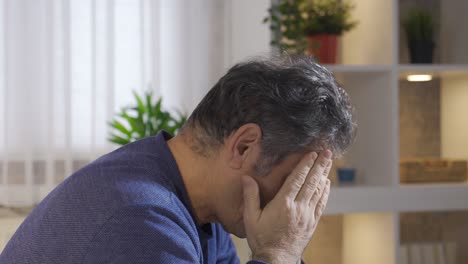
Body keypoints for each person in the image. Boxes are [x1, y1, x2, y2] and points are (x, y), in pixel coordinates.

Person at [0, 56, 355, 264]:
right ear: (245, 147)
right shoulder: (140, 221)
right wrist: (279, 252)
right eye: (296, 179)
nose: (297, 205)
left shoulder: (200, 210)